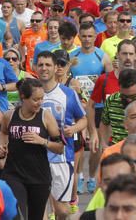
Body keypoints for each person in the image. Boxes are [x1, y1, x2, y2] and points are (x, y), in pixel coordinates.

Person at [0, 77, 63, 220]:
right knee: (16, 214)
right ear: (23, 97)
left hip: (39, 176)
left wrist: (43, 141)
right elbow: (3, 132)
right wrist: (1, 147)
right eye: (35, 99)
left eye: (42, 98)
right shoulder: (10, 115)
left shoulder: (46, 116)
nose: (40, 102)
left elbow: (60, 148)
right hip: (13, 174)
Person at [35, 50, 88, 220]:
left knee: (63, 211)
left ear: (55, 67)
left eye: (48, 65)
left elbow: (83, 119)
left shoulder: (68, 93)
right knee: (39, 205)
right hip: (36, 156)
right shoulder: (31, 92)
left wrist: (74, 129)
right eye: (41, 65)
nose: (44, 68)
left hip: (62, 157)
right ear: (35, 67)